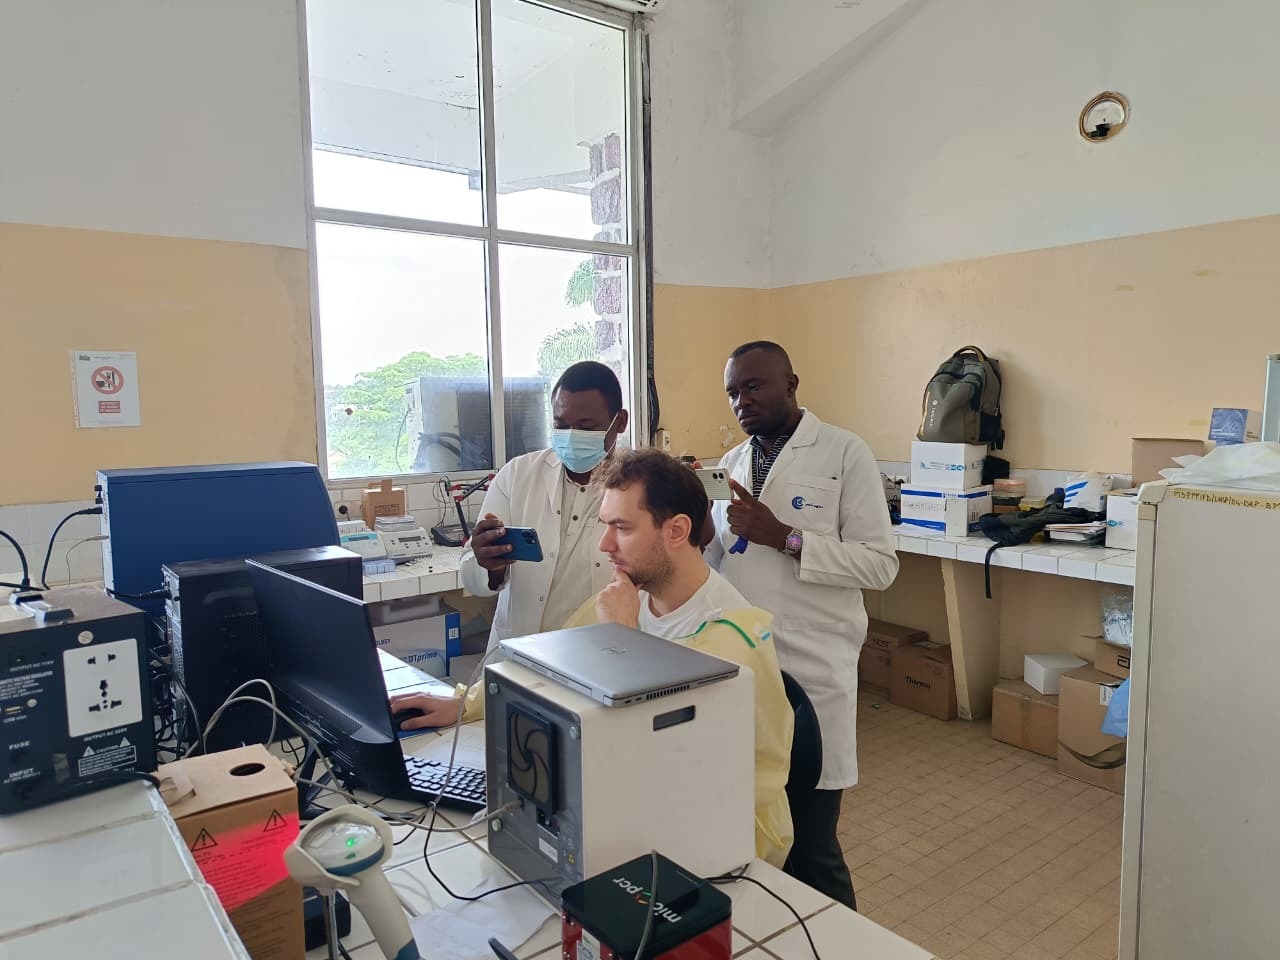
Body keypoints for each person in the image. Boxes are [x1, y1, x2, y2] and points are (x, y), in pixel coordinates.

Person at [704, 340, 899, 909]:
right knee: (760, 834)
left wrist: (785, 537)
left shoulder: (844, 453)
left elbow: (880, 565)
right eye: (732, 392)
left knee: (813, 844)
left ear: (791, 384)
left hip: (814, 668)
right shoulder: (730, 465)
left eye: (753, 386)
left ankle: (841, 943)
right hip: (746, 667)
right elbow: (716, 562)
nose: (741, 401)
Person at [561, 448, 794, 868]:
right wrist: (465, 704)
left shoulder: (732, 642)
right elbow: (550, 666)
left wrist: (622, 641)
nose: (604, 544)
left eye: (621, 528)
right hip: (637, 813)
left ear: (676, 531)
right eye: (605, 525)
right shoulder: (627, 598)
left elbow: (671, 764)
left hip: (725, 846)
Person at [389, 361, 627, 729]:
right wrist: (489, 565)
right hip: (518, 667)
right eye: (561, 425)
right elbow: (473, 576)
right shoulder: (518, 475)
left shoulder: (639, 485)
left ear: (619, 422)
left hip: (600, 672)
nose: (571, 436)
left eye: (586, 426)